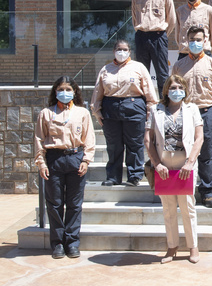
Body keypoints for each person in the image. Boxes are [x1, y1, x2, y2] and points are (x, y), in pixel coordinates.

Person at [34, 76, 95, 259]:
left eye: (69, 89)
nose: (65, 93)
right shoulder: (46, 113)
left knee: (75, 204)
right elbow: (39, 139)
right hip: (54, 159)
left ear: (75, 92)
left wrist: (86, 160)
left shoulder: (82, 113)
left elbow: (89, 137)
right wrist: (41, 163)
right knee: (54, 204)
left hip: (75, 157)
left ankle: (72, 242)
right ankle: (58, 243)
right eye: (61, 89)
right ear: (55, 91)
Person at [145, 75, 203, 264]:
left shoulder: (192, 109)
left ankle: (193, 246)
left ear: (185, 90)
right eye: (173, 87)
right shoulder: (156, 110)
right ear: (166, 90)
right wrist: (156, 164)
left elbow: (199, 138)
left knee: (188, 206)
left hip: (185, 166)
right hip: (164, 167)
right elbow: (148, 140)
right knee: (168, 209)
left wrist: (190, 162)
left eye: (180, 87)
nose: (176, 90)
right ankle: (172, 246)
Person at [171, 26, 212, 208]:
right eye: (192, 39)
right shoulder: (179, 65)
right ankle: (183, 191)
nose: (195, 43)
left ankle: (208, 192)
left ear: (205, 41)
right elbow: (173, 89)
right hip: (184, 114)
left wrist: (209, 109)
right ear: (186, 41)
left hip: (205, 113)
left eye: (199, 39)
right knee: (181, 153)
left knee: (207, 154)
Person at [90, 40, 158, 187]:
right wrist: (97, 111)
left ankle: (134, 176)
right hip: (110, 109)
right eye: (119, 49)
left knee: (134, 144)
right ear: (114, 51)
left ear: (130, 51)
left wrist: (150, 112)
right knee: (114, 145)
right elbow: (98, 92)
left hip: (134, 108)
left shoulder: (138, 67)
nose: (122, 52)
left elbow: (149, 91)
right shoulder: (106, 69)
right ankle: (113, 177)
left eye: (125, 49)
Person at [131, 0, 176, 95]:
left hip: (158, 36)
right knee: (141, 70)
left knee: (162, 71)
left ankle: (164, 100)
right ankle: (143, 99)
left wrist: (162, 34)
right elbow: (134, 18)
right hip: (141, 36)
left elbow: (171, 19)